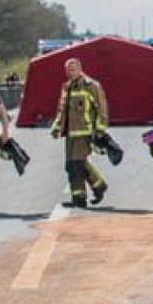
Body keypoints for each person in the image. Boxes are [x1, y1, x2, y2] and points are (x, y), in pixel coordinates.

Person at [50, 58, 109, 208]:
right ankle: (78, 198)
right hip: (70, 133)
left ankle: (99, 185)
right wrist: (56, 127)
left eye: (73, 69)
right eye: (68, 70)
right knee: (71, 165)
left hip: (85, 132)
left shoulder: (91, 86)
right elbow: (61, 111)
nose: (70, 73)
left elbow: (102, 109)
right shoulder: (66, 87)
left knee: (79, 163)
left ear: (80, 69)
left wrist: (101, 129)